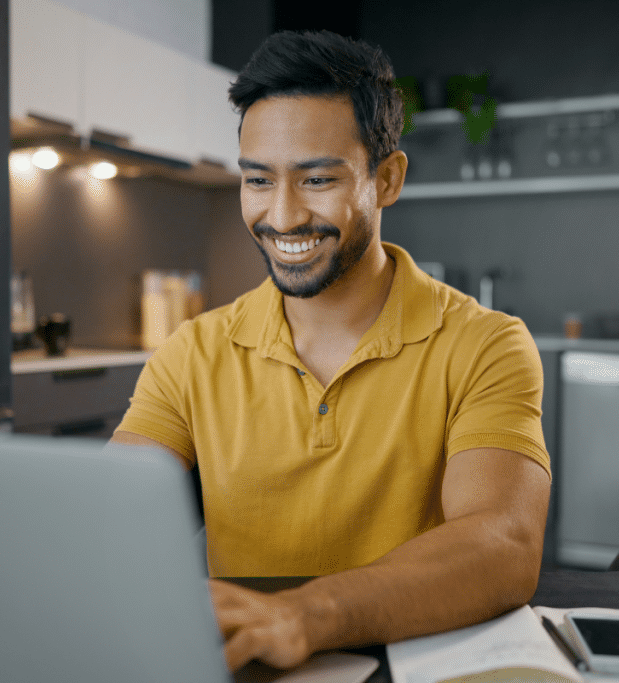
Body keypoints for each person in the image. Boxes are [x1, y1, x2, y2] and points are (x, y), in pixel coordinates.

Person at [110, 30, 551, 673]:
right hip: (256, 667)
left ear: (388, 179)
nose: (282, 216)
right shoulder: (192, 353)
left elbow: (504, 543)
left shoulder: (487, 344)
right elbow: (111, 523)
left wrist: (308, 615)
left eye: (316, 179)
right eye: (258, 180)